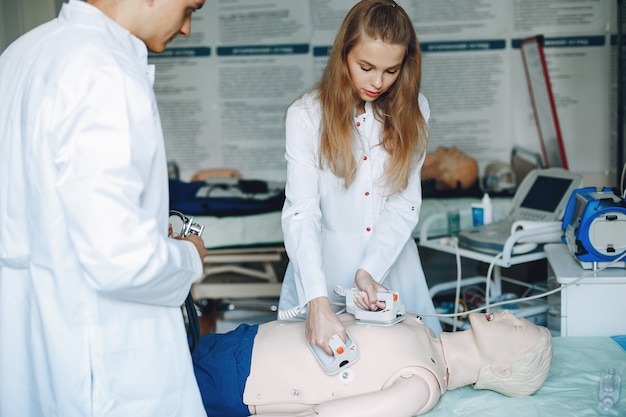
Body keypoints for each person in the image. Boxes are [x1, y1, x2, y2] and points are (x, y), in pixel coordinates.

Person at [0, 0, 209, 415]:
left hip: (31, 338)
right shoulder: (104, 70)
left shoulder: (21, 54)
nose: (186, 28)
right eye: (189, 8)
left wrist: (142, 230)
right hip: (101, 359)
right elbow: (120, 259)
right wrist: (188, 257)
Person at [279, 0, 442, 355]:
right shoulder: (306, 116)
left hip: (392, 265)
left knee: (413, 370)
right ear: (344, 55)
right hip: (322, 270)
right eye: (366, 67)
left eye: (391, 70)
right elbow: (301, 212)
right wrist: (317, 302)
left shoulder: (415, 111)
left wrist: (370, 271)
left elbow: (404, 204)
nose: (378, 82)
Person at [192, 310, 554, 417]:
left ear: (503, 369)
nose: (508, 314)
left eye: (517, 327)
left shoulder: (420, 385)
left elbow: (324, 416)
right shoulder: (419, 325)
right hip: (244, 338)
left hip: (237, 381)